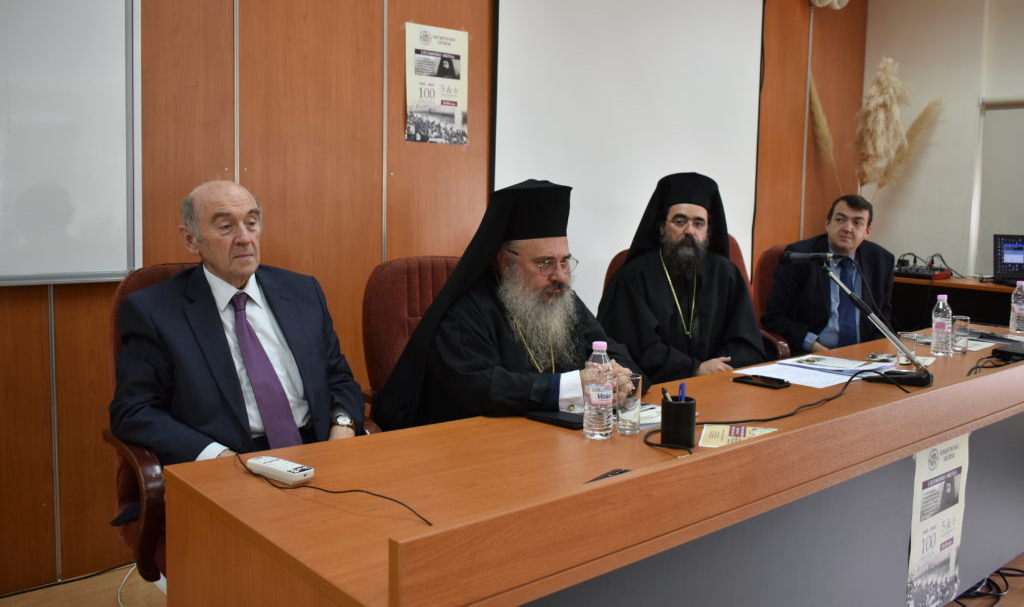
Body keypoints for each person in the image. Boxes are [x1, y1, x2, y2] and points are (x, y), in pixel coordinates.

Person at [110, 181, 365, 465]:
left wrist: (342, 429)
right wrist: (220, 458)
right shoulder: (155, 312)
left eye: (251, 223)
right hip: (231, 459)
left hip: (319, 447)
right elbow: (135, 411)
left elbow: (339, 378)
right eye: (226, 227)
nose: (245, 238)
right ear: (191, 239)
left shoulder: (303, 292)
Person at [372, 179, 640, 430]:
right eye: (544, 263)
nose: (560, 276)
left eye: (564, 262)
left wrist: (620, 379)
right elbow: (479, 388)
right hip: (479, 441)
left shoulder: (560, 298)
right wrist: (573, 386)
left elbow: (612, 351)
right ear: (505, 262)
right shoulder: (464, 311)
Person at [597, 173, 765, 384]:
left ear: (708, 232)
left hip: (719, 383)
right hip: (660, 388)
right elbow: (635, 346)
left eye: (699, 223)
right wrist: (693, 368)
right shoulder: (635, 275)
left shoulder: (726, 273)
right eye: (679, 221)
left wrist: (715, 368)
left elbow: (746, 341)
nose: (689, 231)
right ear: (661, 228)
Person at [762, 194, 894, 353]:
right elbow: (774, 317)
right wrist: (814, 346)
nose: (848, 228)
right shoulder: (800, 256)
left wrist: (873, 353)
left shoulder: (881, 260)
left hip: (864, 356)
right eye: (840, 219)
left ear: (867, 231)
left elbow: (883, 319)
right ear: (827, 224)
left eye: (857, 223)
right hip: (815, 353)